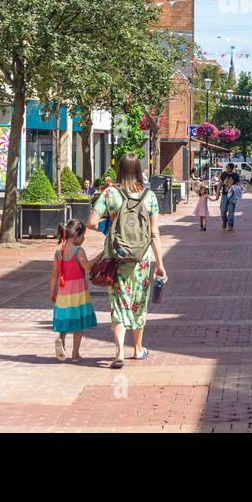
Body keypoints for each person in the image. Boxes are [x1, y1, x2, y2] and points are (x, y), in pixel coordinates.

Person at [92, 155, 167, 368]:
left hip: (117, 257)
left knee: (119, 303)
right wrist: (160, 264)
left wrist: (109, 226)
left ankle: (118, 354)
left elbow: (90, 222)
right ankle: (137, 349)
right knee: (139, 302)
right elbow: (154, 233)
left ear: (119, 171)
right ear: (139, 171)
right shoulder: (149, 196)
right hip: (141, 259)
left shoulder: (110, 194)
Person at [51, 219, 97, 361]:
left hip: (63, 291)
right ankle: (75, 354)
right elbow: (87, 266)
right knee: (78, 323)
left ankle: (61, 342)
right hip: (78, 291)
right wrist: (101, 255)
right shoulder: (79, 251)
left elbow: (54, 275)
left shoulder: (59, 252)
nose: (84, 238)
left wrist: (52, 293)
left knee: (65, 319)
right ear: (76, 234)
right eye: (83, 235)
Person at [219, 163, 241, 232]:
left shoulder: (235, 175)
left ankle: (230, 225)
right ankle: (224, 221)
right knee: (223, 211)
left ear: (231, 168)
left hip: (232, 195)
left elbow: (238, 185)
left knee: (231, 212)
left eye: (228, 167)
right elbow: (220, 183)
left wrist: (237, 193)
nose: (226, 168)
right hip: (224, 195)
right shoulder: (223, 174)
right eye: (226, 167)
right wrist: (217, 194)